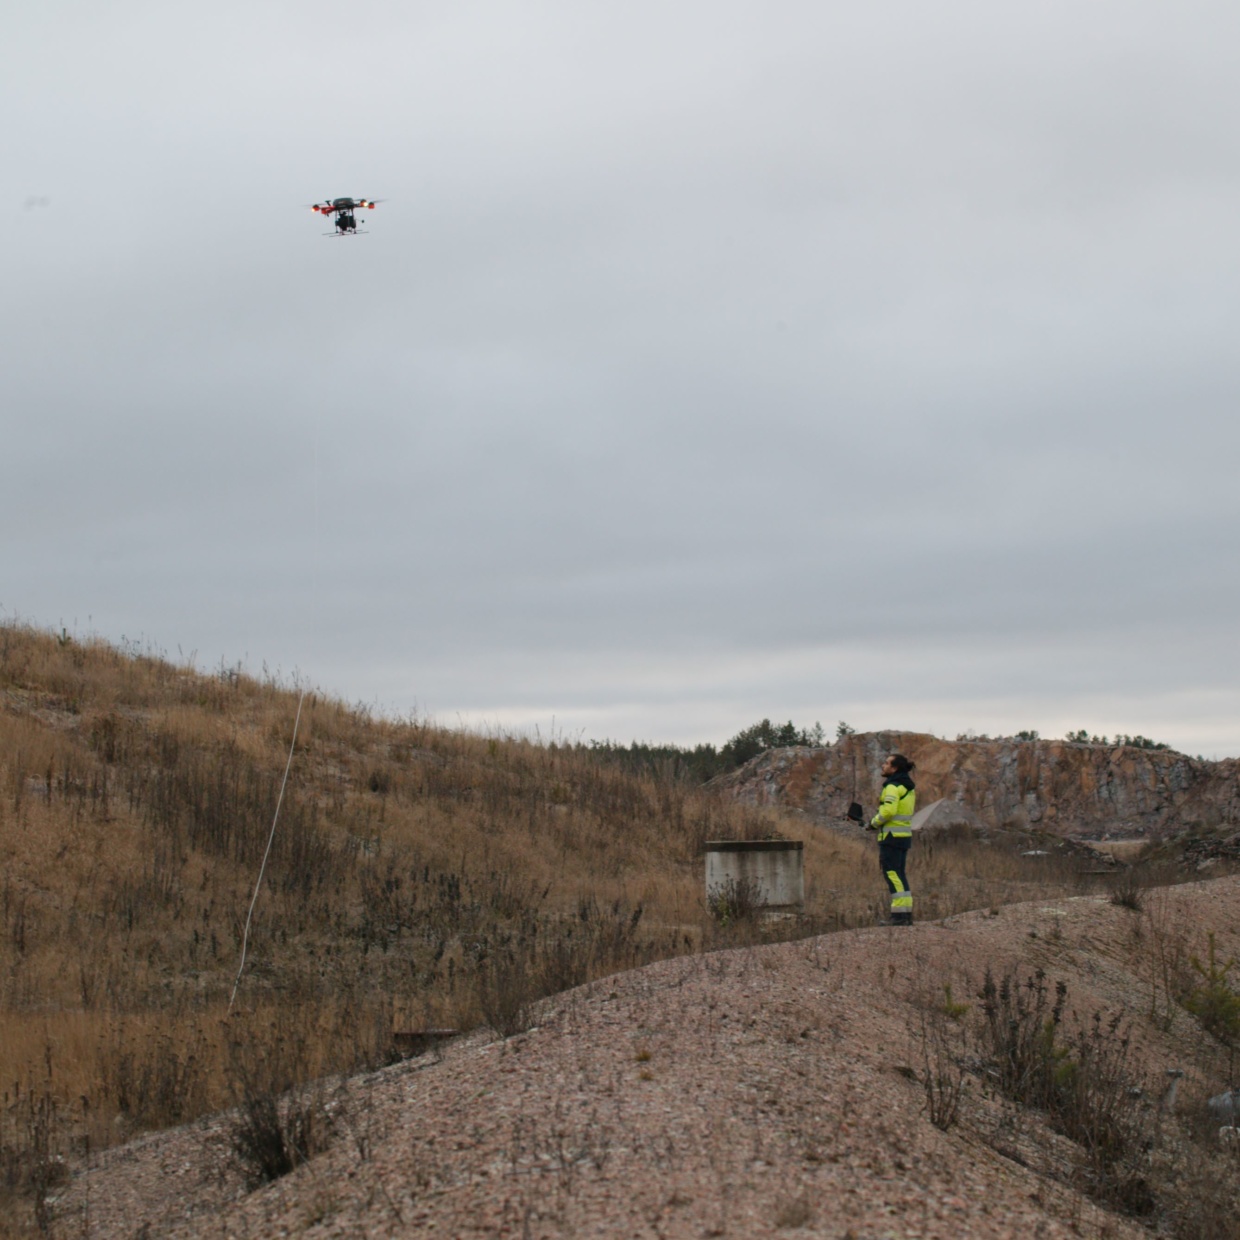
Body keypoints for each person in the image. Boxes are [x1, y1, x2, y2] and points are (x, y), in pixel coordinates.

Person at [868, 753, 916, 926]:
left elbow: (888, 812)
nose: (883, 765)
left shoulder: (892, 787)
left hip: (890, 838)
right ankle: (905, 914)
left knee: (893, 874)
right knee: (900, 874)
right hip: (903, 837)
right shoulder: (907, 787)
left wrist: (873, 823)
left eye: (887, 763)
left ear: (894, 768)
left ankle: (899, 917)